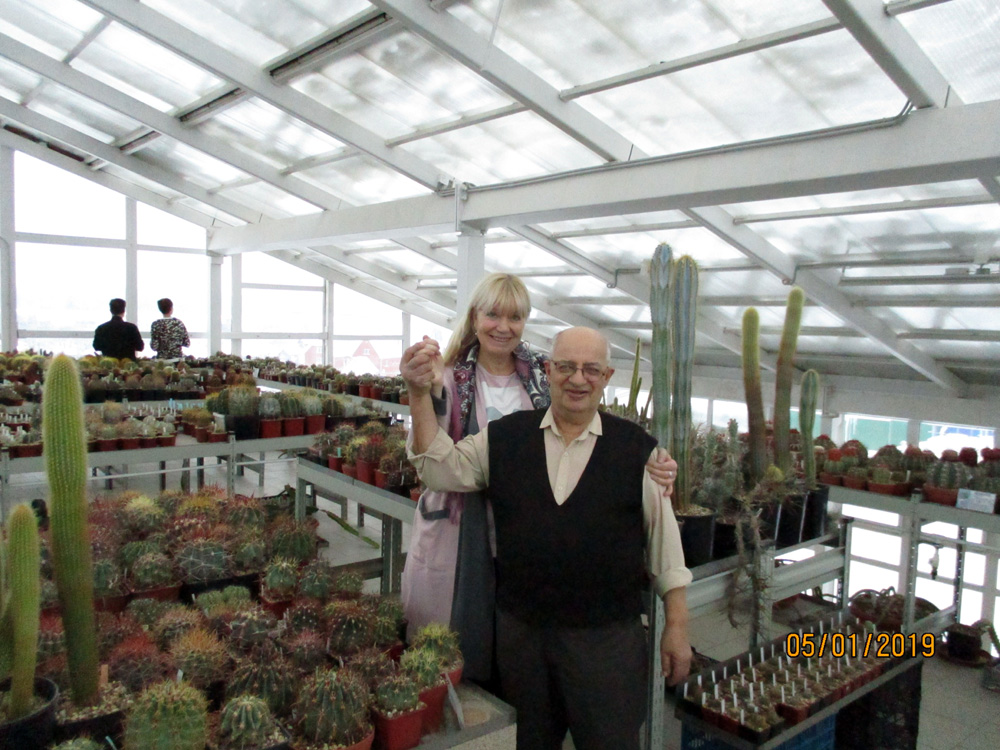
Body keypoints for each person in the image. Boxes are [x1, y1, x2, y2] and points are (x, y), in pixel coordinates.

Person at [402, 326, 692, 750]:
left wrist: (677, 626)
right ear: (549, 370)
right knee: (530, 742)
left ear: (607, 377)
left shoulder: (637, 451)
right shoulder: (504, 438)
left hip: (606, 644)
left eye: (591, 369)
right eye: (566, 367)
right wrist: (418, 394)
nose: (578, 379)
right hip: (523, 641)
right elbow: (438, 468)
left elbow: (666, 549)